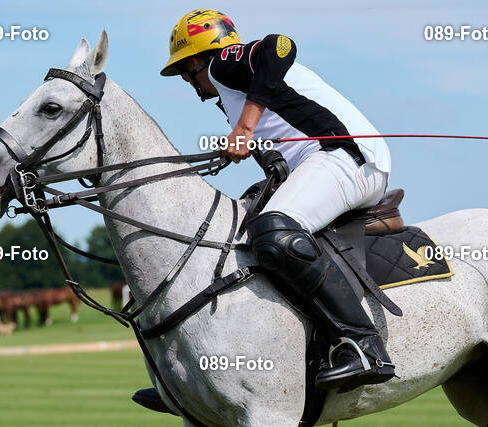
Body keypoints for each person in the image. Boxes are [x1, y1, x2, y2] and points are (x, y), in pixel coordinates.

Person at [161, 10, 394, 391]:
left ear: (198, 61)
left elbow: (279, 46)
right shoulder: (231, 95)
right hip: (327, 163)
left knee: (275, 230)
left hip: (344, 157)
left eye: (186, 71)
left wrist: (244, 128)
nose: (188, 81)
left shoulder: (223, 65)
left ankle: (364, 344)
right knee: (233, 232)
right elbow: (277, 157)